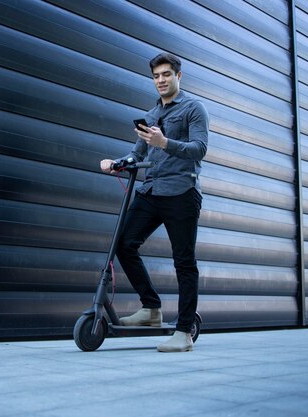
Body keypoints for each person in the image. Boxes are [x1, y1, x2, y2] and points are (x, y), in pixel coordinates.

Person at [100, 52, 209, 352]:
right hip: (152, 192)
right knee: (124, 244)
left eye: (166, 75)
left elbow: (199, 149)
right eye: (156, 76)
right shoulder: (150, 115)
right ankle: (151, 308)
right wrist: (117, 163)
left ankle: (184, 332)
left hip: (182, 193)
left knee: (184, 262)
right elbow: (138, 154)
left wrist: (165, 143)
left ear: (178, 76)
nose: (161, 80)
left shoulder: (193, 109)